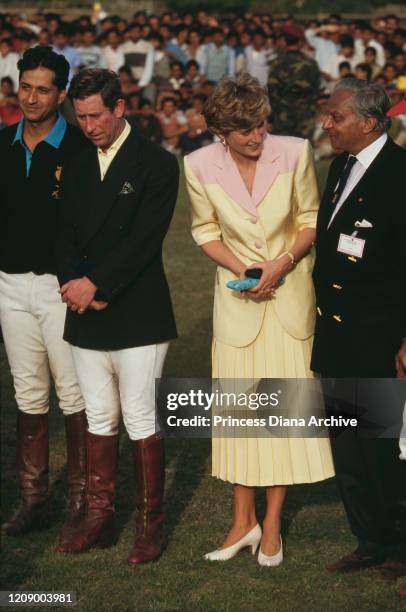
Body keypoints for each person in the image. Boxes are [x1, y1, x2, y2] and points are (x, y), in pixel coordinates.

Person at [185, 73, 334, 566]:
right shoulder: (197, 164)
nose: (258, 136)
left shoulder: (294, 152)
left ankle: (272, 523)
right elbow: (204, 229)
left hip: (290, 299)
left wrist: (279, 266)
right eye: (246, 129)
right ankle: (241, 521)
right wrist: (242, 270)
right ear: (221, 132)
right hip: (236, 305)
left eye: (262, 125)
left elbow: (311, 219)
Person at [55, 68, 179, 564]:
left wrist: (99, 285)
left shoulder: (157, 162)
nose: (89, 126)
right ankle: (99, 520)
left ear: (120, 108)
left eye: (96, 115)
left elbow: (145, 240)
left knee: (141, 417)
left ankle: (151, 526)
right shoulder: (76, 159)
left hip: (138, 311)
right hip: (84, 307)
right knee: (99, 416)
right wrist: (75, 285)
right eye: (80, 117)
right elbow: (61, 232)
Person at [312, 78, 406, 572]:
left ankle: (398, 544)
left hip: (379, 335)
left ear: (369, 123)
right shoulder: (338, 167)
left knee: (382, 448)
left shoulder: (400, 173)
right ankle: (367, 539)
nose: (328, 124)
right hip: (337, 334)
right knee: (347, 448)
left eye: (336, 117)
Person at [0, 46, 88, 545]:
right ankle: (33, 500)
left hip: (62, 289)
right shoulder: (2, 145)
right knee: (28, 394)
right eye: (25, 87)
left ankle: (79, 500)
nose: (31, 98)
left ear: (61, 93)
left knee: (73, 393)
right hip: (9, 285)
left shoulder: (78, 149)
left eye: (43, 89)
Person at [268, 24, 320, 140]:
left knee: (284, 152)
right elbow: (316, 89)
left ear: (284, 41)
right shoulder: (311, 63)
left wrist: (271, 118)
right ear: (300, 42)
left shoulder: (276, 64)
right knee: (304, 153)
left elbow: (272, 93)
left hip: (283, 114)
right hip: (306, 113)